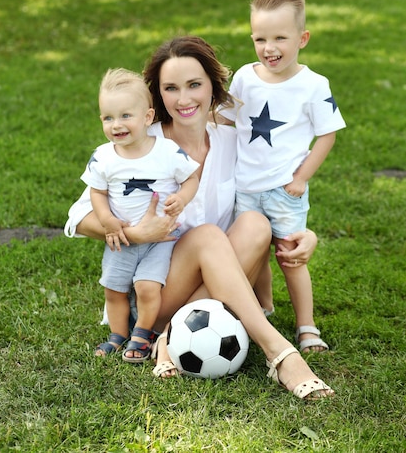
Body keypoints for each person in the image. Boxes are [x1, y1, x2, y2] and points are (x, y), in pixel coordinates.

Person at [65, 36, 334, 400]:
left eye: (194, 85)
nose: (184, 99)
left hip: (215, 278)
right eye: (170, 88)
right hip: (153, 292)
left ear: (212, 86)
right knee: (208, 235)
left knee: (256, 223)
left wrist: (303, 234)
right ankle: (279, 352)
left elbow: (268, 195)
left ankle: (170, 339)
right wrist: (136, 232)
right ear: (157, 96)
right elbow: (78, 217)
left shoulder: (232, 138)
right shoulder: (141, 144)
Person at [217, 0, 346, 353]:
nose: (269, 48)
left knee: (290, 256)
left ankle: (307, 327)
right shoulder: (244, 76)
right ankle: (263, 306)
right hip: (245, 187)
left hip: (284, 189)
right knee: (255, 253)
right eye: (260, 38)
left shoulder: (313, 85)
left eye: (279, 38)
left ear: (302, 38)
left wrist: (301, 177)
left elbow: (327, 136)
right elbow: (225, 120)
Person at [77, 68, 199, 359]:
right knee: (114, 290)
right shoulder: (103, 156)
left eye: (125, 116)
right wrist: (107, 220)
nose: (116, 125)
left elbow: (191, 178)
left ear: (147, 117)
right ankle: (118, 335)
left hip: (161, 239)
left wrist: (181, 198)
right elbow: (97, 192)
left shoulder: (168, 152)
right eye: (108, 118)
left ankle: (142, 334)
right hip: (122, 239)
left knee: (146, 286)